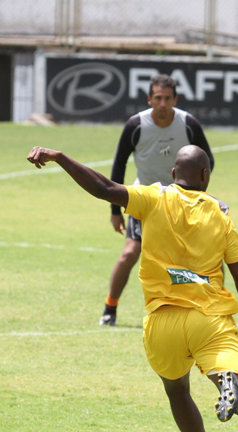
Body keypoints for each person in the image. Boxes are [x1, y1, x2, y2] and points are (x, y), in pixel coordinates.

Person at [27, 144, 238, 432]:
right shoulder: (221, 216)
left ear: (174, 174)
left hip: (161, 322)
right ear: (206, 176)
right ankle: (230, 385)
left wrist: (61, 158)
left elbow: (104, 188)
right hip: (209, 318)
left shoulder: (153, 198)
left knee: (176, 390)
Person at [100, 74, 214, 326]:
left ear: (175, 99)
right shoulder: (136, 125)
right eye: (158, 98)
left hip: (183, 201)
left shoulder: (188, 124)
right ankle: (110, 308)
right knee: (130, 252)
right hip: (148, 201)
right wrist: (115, 210)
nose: (162, 103)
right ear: (149, 99)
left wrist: (197, 193)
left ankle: (211, 309)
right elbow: (119, 165)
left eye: (167, 98)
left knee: (203, 256)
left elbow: (209, 161)